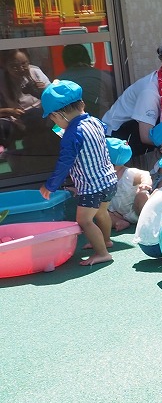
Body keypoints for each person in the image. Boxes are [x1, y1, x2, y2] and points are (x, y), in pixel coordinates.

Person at [39, 80, 119, 267]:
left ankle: (102, 253)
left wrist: (51, 185)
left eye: (53, 119)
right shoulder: (95, 122)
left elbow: (64, 163)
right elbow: (92, 137)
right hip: (109, 180)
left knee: (84, 220)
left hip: (92, 188)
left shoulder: (72, 134)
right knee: (102, 213)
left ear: (57, 115)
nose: (55, 123)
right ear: (82, 104)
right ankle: (106, 240)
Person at [105, 136, 153, 231]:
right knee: (102, 212)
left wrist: (145, 183)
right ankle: (119, 222)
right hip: (119, 214)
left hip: (136, 210)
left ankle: (149, 222)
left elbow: (144, 174)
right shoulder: (104, 177)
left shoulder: (128, 173)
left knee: (142, 196)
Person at [57, 43, 116, 118]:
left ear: (65, 61)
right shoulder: (104, 76)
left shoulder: (59, 82)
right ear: (88, 58)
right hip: (103, 120)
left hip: (74, 122)